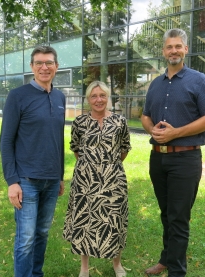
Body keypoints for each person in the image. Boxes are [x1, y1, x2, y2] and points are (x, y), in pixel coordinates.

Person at [141, 28, 205, 277]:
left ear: (185, 49)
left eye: (178, 46)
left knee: (178, 217)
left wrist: (176, 133)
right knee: (166, 213)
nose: (173, 51)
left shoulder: (198, 80)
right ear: (164, 51)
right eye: (169, 47)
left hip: (185, 158)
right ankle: (166, 258)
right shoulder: (155, 84)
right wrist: (152, 129)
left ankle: (177, 271)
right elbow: (145, 116)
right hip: (158, 158)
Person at [0, 45, 66, 277]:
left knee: (42, 233)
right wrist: (12, 181)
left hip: (50, 180)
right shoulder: (18, 96)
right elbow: (6, 141)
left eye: (49, 62)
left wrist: (60, 176)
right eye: (39, 63)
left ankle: (36, 274)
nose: (44, 67)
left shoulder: (60, 97)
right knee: (26, 238)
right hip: (26, 180)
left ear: (56, 66)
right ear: (32, 67)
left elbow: (58, 138)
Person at [63, 81, 131, 277]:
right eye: (94, 96)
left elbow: (124, 149)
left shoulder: (120, 121)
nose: (98, 99)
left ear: (108, 97)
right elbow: (76, 149)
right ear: (88, 99)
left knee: (114, 220)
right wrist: (91, 166)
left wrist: (107, 165)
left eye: (102, 95)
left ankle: (116, 264)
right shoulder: (79, 123)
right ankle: (84, 268)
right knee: (85, 219)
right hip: (85, 180)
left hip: (113, 179)